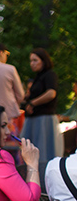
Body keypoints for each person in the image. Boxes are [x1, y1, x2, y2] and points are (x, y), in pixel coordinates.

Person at [20, 48, 62, 183]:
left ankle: (45, 183)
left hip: (44, 119)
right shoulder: (38, 77)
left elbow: (51, 93)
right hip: (33, 119)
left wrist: (33, 103)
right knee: (30, 151)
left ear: (43, 61)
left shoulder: (50, 75)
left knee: (44, 152)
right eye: (30, 61)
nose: (32, 63)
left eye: (35, 60)